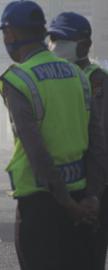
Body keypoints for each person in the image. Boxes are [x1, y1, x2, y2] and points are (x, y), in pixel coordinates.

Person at [0, 2, 97, 269]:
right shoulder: (79, 75)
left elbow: (36, 150)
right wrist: (90, 199)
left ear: (10, 35)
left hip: (40, 206)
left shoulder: (18, 80)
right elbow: (98, 143)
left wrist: (65, 203)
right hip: (81, 201)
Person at [48, 12, 108, 270]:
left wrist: (94, 191)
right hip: (62, 184)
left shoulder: (97, 81)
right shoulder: (52, 79)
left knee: (89, 255)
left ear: (83, 45)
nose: (56, 46)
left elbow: (100, 139)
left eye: (63, 40)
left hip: (94, 185)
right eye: (53, 40)